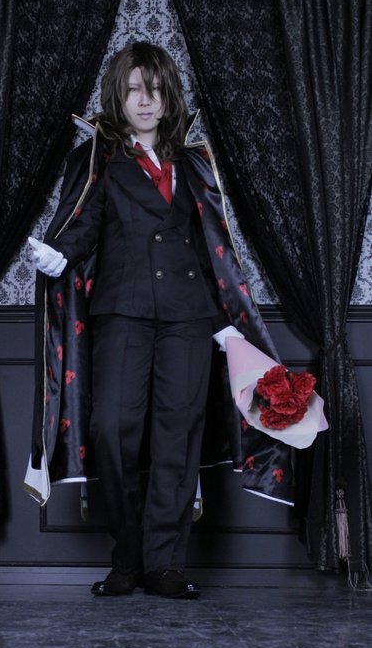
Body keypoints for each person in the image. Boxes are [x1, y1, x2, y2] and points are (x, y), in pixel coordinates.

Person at [24, 42, 293, 599]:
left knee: (178, 435)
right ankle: (127, 556)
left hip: (189, 317)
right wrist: (61, 255)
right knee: (111, 430)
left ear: (168, 96)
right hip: (122, 312)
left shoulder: (194, 162)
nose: (144, 101)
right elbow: (83, 223)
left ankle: (164, 564)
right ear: (117, 97)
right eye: (133, 89)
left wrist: (224, 321)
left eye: (154, 89)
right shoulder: (98, 160)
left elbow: (213, 248)